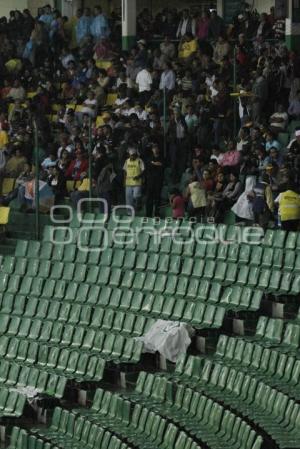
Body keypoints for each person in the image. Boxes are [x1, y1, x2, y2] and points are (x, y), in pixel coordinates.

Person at [145, 144, 164, 217]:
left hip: (158, 181)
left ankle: (157, 213)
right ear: (152, 150)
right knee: (149, 198)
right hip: (150, 181)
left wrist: (153, 163)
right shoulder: (149, 158)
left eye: (156, 148)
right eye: (154, 148)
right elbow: (148, 166)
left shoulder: (162, 158)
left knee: (157, 198)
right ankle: (148, 214)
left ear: (158, 149)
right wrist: (154, 164)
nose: (155, 149)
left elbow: (161, 165)